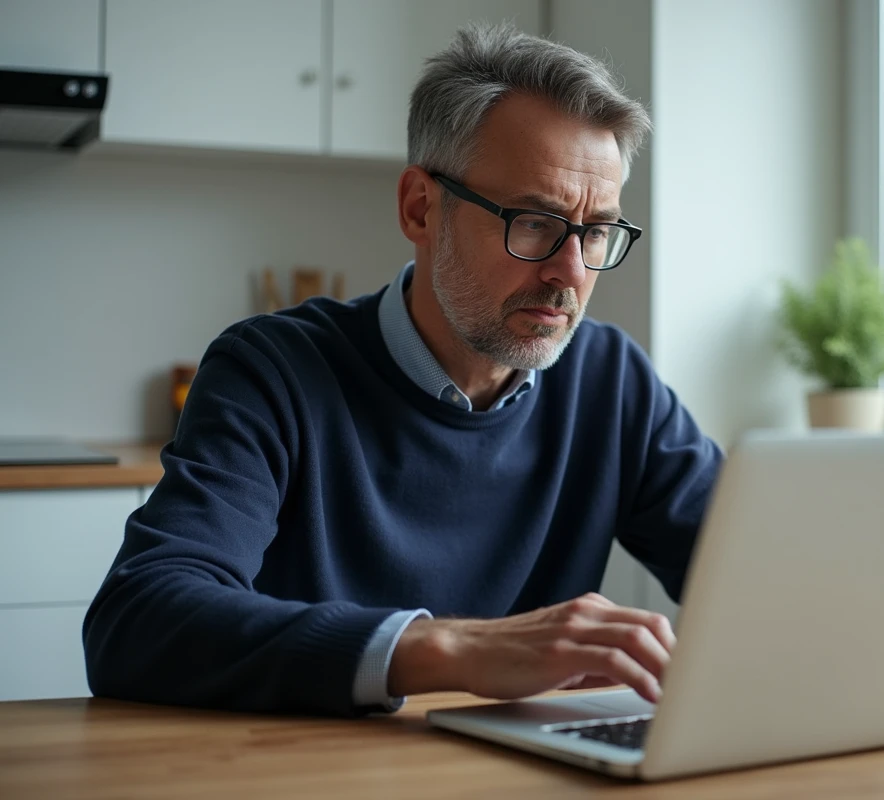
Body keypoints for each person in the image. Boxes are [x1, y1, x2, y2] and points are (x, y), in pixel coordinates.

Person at [83, 23, 722, 717]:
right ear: (421, 207)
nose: (570, 273)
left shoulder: (612, 383)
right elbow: (138, 621)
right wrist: (448, 649)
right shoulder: (273, 371)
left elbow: (769, 580)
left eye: (595, 231)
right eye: (534, 222)